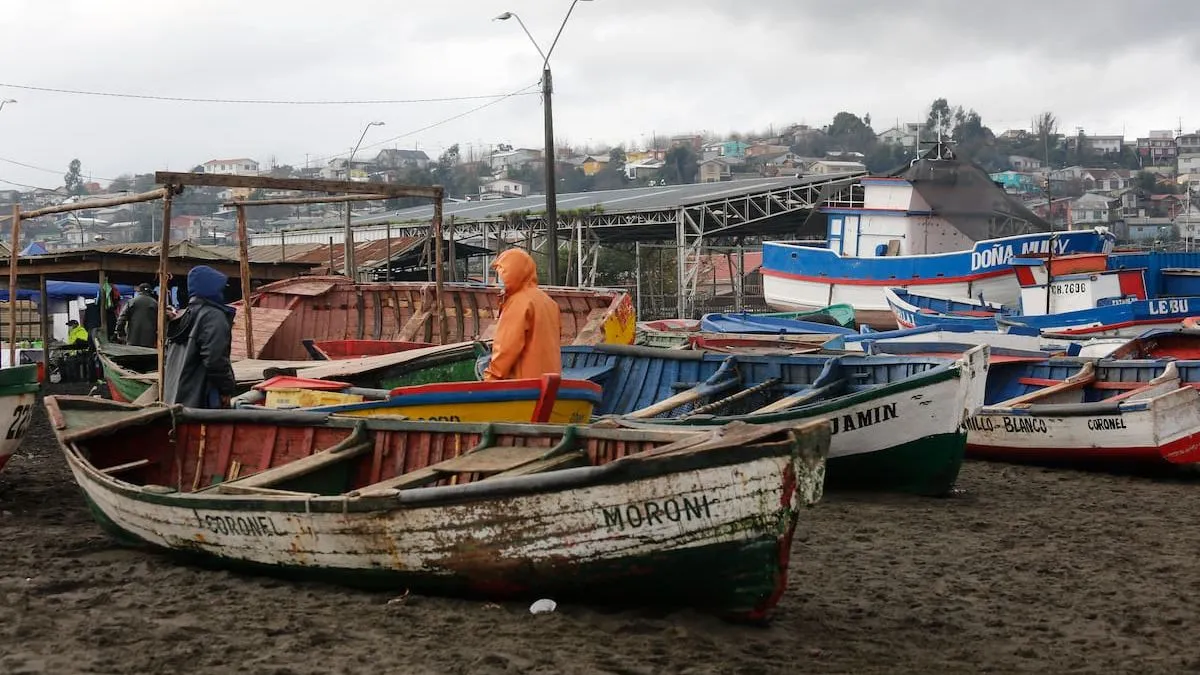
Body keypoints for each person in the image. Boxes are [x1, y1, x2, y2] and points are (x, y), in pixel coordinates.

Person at [482, 248, 562, 381]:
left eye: (501, 273)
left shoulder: (518, 303)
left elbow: (506, 348)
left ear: (512, 273)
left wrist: (490, 377)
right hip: (550, 383)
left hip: (523, 384)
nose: (499, 279)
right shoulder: (549, 302)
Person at [162, 265, 236, 408]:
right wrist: (226, 389)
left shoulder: (184, 315)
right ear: (212, 288)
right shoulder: (213, 316)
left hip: (175, 399)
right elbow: (215, 360)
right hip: (200, 400)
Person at [114, 282, 159, 347]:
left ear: (139, 291)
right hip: (149, 339)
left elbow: (122, 318)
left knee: (132, 355)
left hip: (132, 338)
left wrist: (119, 332)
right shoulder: (155, 303)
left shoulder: (131, 301)